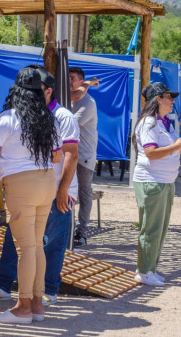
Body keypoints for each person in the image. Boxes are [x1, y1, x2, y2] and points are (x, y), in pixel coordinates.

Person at [0, 66, 78, 307]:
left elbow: (71, 155)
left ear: (49, 91)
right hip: (44, 185)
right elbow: (57, 155)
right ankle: (18, 292)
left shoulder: (59, 116)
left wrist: (63, 190)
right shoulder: (43, 118)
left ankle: (37, 298)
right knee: (28, 245)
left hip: (48, 188)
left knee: (45, 244)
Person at [132, 82, 181, 286]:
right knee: (151, 228)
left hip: (164, 181)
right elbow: (150, 152)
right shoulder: (149, 122)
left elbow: (169, 149)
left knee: (160, 228)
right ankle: (144, 270)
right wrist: (176, 147)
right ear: (158, 99)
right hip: (152, 181)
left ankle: (150, 268)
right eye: (168, 97)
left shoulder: (164, 122)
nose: (172, 101)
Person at [68, 67, 100, 247]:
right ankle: (68, 227)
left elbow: (71, 124)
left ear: (82, 82)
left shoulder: (88, 102)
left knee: (84, 191)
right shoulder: (67, 98)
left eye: (73, 78)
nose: (69, 81)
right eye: (68, 78)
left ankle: (82, 232)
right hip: (69, 153)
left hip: (84, 155)